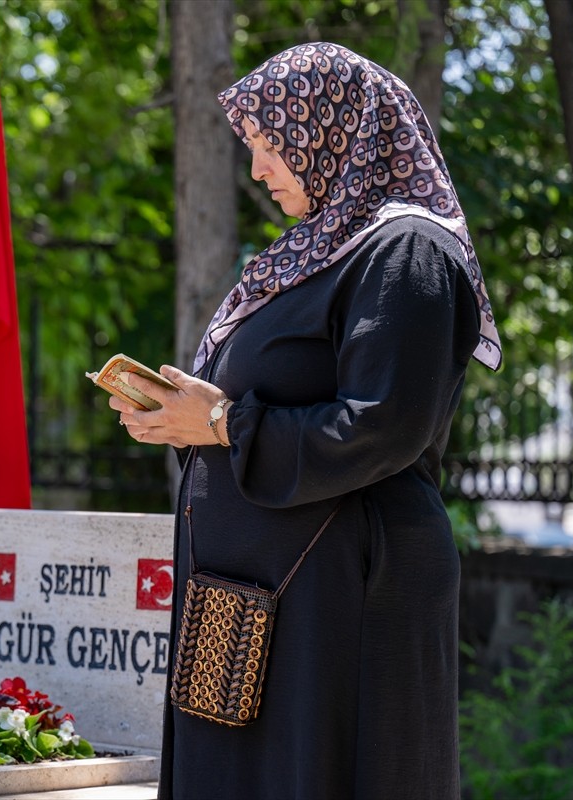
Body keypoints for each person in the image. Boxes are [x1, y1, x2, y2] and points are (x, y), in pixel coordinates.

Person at [107, 42, 502, 799]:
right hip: (257, 596)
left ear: (328, 130)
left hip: (341, 595)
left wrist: (223, 425)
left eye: (269, 147)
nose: (258, 171)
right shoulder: (320, 248)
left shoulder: (407, 249)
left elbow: (382, 427)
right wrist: (181, 417)